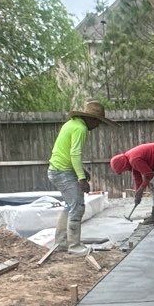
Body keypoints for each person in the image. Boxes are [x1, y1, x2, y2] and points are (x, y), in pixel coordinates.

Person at [46, 99, 110, 251]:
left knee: (71, 206)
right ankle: (74, 246)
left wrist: (81, 171)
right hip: (62, 172)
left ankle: (61, 243)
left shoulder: (71, 124)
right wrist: (81, 178)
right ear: (91, 119)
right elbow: (75, 154)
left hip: (57, 169)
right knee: (77, 207)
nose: (98, 126)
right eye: (98, 122)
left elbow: (68, 153)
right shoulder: (80, 128)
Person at [109, 141, 154, 221]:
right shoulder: (129, 158)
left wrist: (141, 189)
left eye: (123, 170)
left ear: (123, 165)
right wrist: (138, 194)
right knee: (151, 183)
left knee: (153, 183)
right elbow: (137, 179)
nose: (125, 171)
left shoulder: (133, 159)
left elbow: (149, 175)